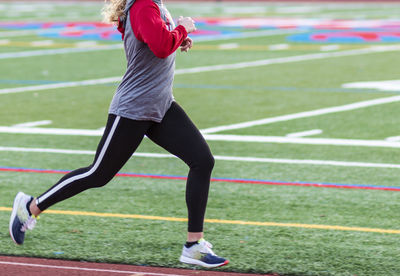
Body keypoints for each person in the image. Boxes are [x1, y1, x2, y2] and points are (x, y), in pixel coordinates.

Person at [9, 0, 228, 268]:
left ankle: (193, 246)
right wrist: (181, 30)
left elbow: (155, 42)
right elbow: (159, 47)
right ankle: (30, 207)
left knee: (202, 160)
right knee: (98, 174)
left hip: (161, 105)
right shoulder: (144, 5)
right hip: (133, 108)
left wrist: (176, 38)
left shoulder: (152, 4)